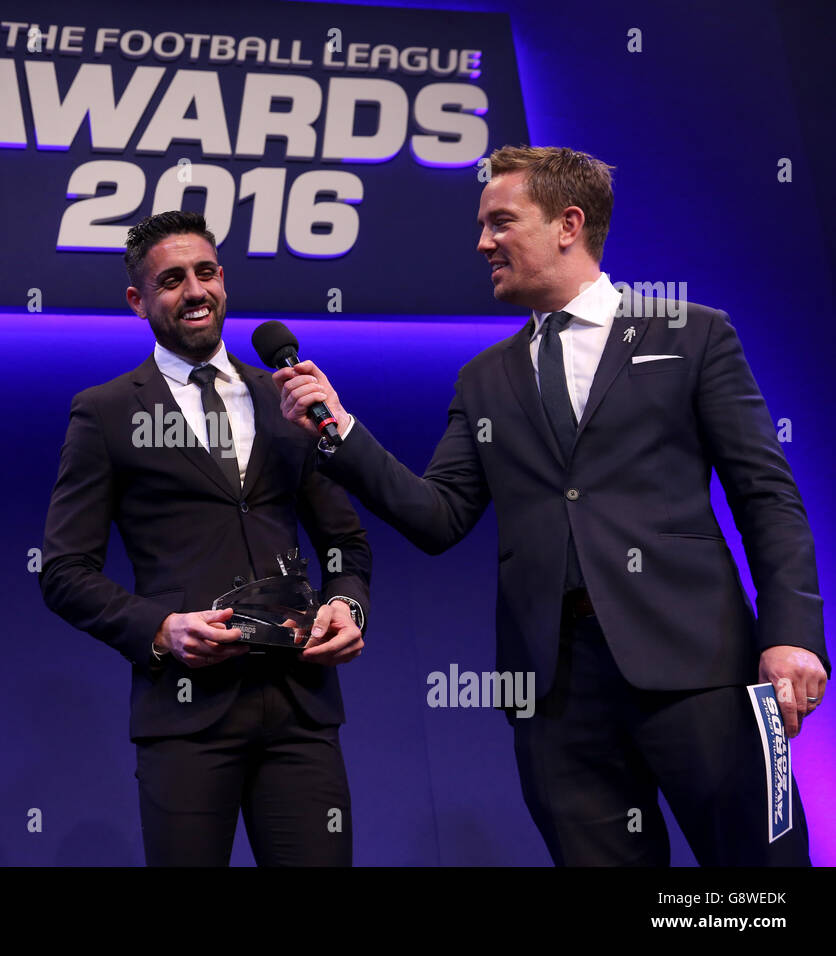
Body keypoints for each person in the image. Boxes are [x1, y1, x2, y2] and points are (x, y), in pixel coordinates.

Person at [274, 146, 827, 866]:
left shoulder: (692, 334)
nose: (483, 243)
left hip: (703, 671)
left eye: (500, 222)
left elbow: (767, 495)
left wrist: (792, 634)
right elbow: (438, 515)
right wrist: (341, 432)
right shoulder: (484, 378)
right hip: (554, 693)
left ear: (568, 224)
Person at [40, 211, 372, 866]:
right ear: (138, 300)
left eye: (206, 272)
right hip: (186, 716)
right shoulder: (105, 412)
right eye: (171, 279)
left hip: (300, 710)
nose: (194, 290)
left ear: (224, 279)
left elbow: (346, 545)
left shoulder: (286, 397)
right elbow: (63, 571)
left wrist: (348, 605)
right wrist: (162, 629)